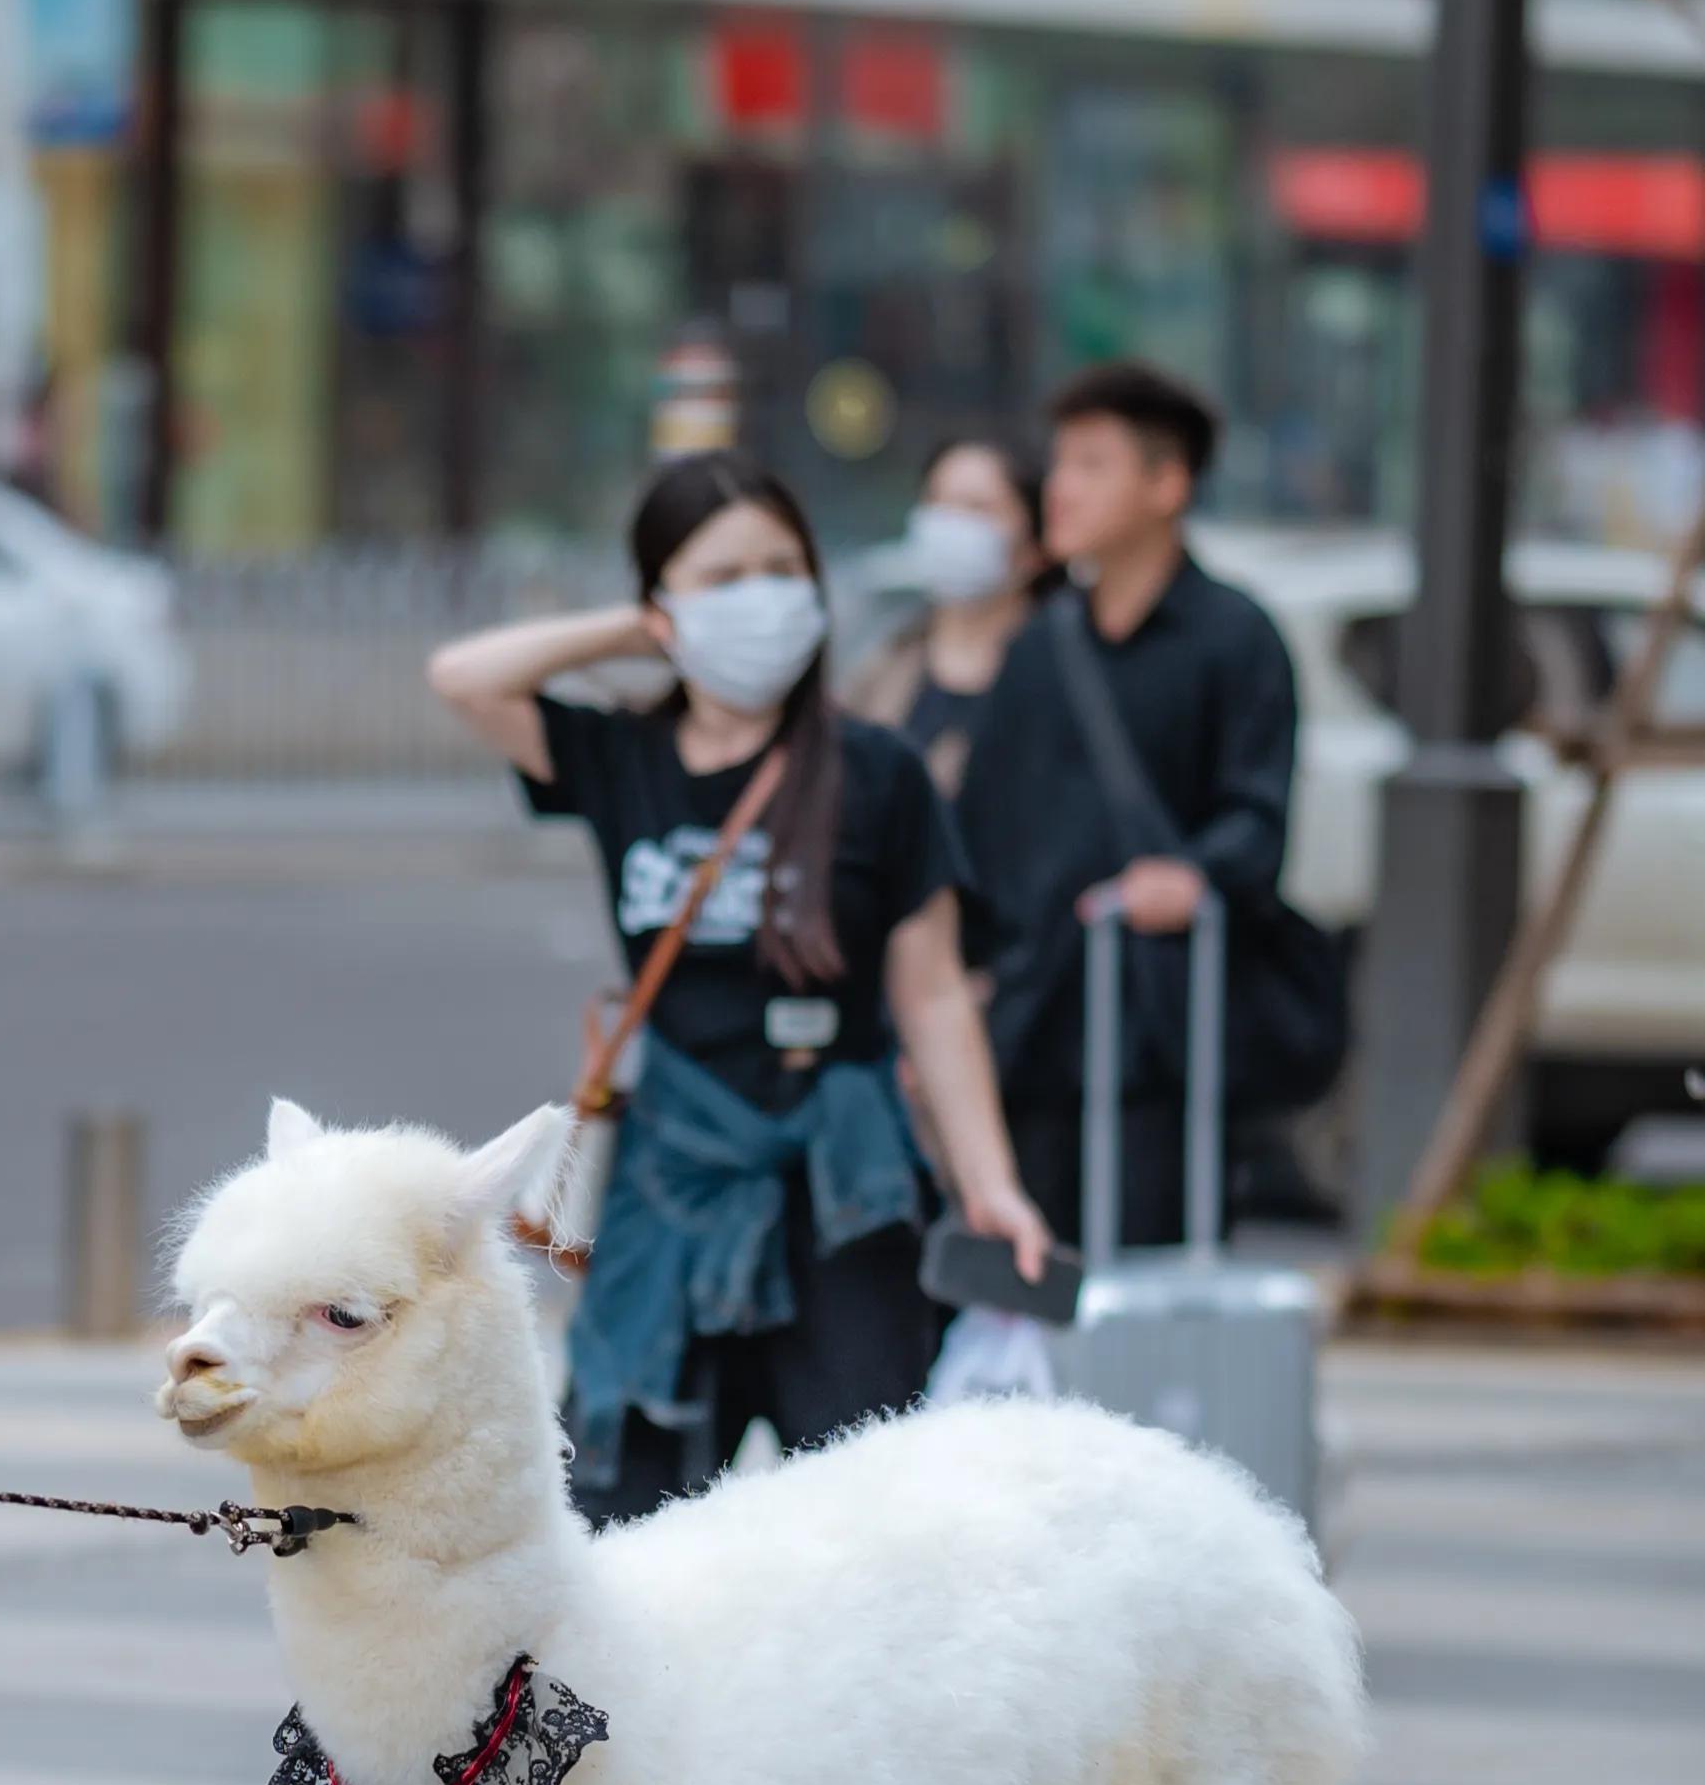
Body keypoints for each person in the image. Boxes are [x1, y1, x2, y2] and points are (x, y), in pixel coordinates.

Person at [427, 448, 1050, 1525]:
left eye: (780, 567)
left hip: (844, 1183)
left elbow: (935, 995)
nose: (760, 598)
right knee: (629, 1504)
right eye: (721, 578)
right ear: (664, 600)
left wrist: (988, 1181)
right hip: (671, 1176)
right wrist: (636, 631)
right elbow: (465, 677)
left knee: (865, 1511)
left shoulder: (876, 773)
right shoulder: (619, 755)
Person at [951, 363, 1318, 1249]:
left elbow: (1257, 819)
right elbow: (979, 839)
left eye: (1091, 464)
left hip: (1161, 1041)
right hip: (1032, 1038)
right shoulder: (1038, 648)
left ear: (1167, 484)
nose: (1061, 488)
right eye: (1060, 464)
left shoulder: (1236, 639)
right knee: (1027, 1303)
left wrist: (1192, 878)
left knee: (1151, 1290)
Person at [839, 432, 1052, 800]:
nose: (948, 524)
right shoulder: (881, 663)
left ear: (1035, 547)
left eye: (977, 508)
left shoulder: (1062, 675)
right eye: (936, 500)